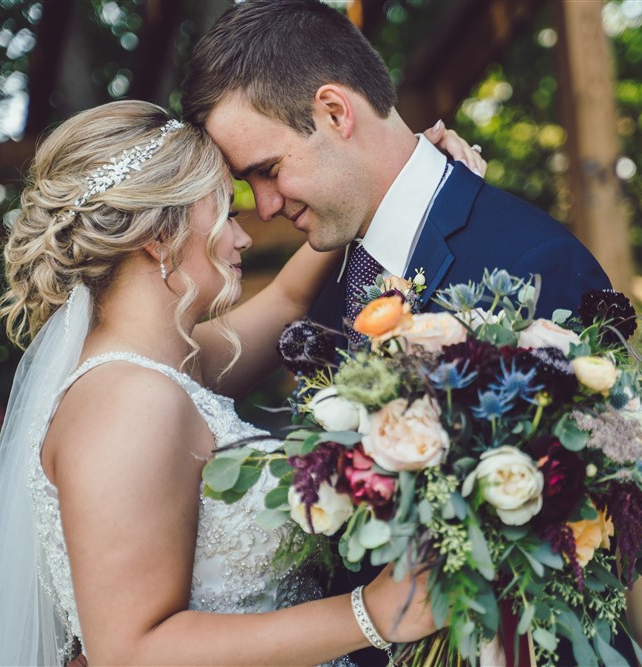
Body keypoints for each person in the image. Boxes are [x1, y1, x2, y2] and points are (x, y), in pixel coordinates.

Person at [0, 100, 482, 666]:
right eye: (226, 213)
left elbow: (288, 300)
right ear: (160, 235)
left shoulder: (168, 364)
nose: (243, 237)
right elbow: (131, 652)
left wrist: (400, 181)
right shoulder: (129, 403)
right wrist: (371, 613)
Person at [183, 2, 618, 664]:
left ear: (335, 112)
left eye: (266, 170)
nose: (264, 206)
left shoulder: (533, 265)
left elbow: (592, 535)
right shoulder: (334, 269)